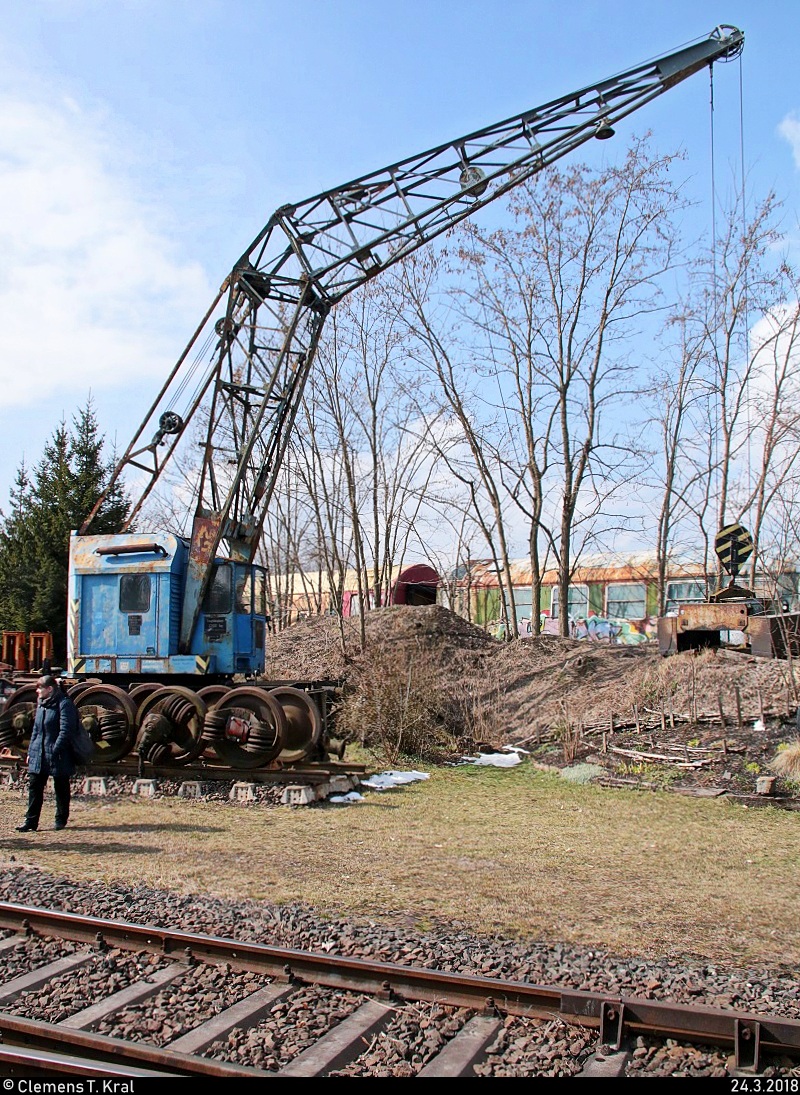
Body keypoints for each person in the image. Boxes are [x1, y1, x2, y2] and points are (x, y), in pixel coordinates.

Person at [16, 675, 77, 832]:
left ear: (49, 689)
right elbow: (36, 730)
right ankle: (31, 821)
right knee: (34, 786)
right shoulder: (41, 704)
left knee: (61, 786)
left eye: (40, 688)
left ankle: (60, 819)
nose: (37, 691)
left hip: (58, 753)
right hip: (39, 752)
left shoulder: (64, 704)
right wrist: (31, 751)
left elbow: (66, 730)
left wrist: (56, 749)